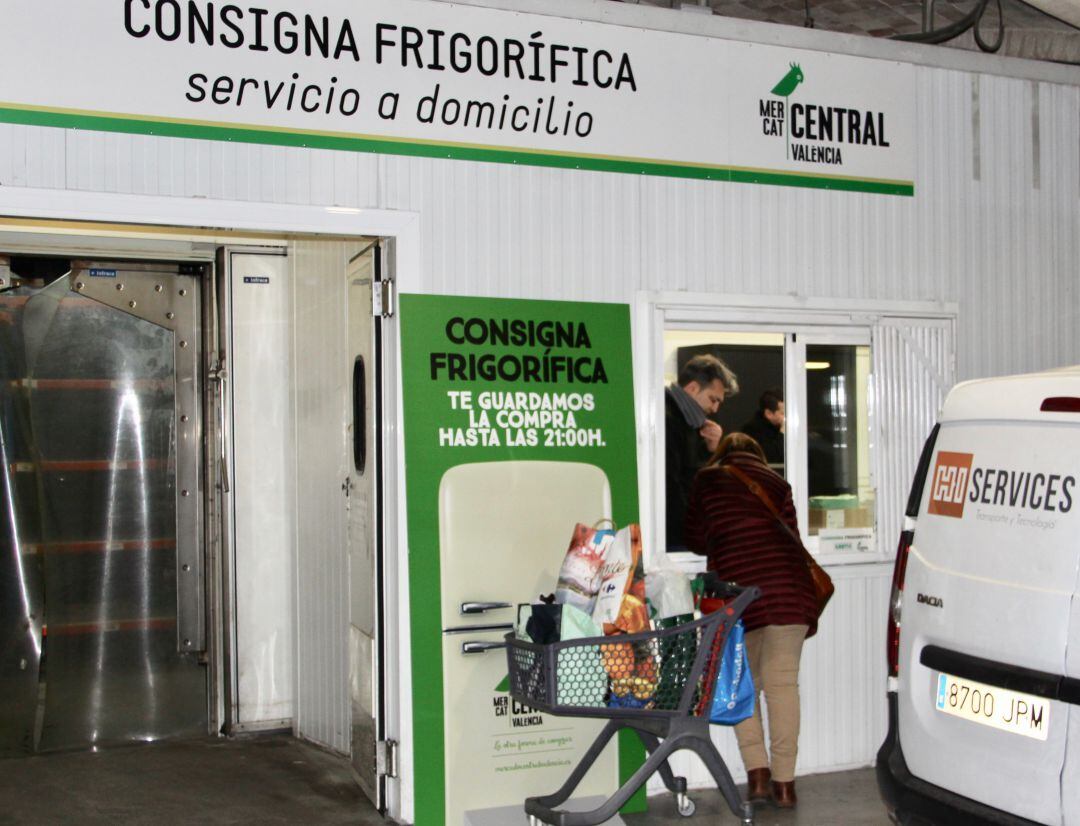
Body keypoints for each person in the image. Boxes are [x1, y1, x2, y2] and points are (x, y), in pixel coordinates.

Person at [684, 433, 818, 809]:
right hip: (788, 593)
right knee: (782, 685)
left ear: (724, 454)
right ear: (758, 457)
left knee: (745, 686)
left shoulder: (707, 481)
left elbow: (694, 536)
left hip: (740, 597)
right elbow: (791, 534)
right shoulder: (777, 483)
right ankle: (786, 785)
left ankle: (757, 776)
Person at [665, 354, 738, 550]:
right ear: (692, 388)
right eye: (713, 399)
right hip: (674, 536)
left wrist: (710, 450)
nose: (714, 408)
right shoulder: (668, 420)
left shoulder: (690, 421)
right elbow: (673, 487)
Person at [740, 389, 785, 467]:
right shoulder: (752, 431)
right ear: (769, 414)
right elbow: (771, 460)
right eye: (783, 413)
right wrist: (782, 434)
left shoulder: (777, 426)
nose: (787, 418)